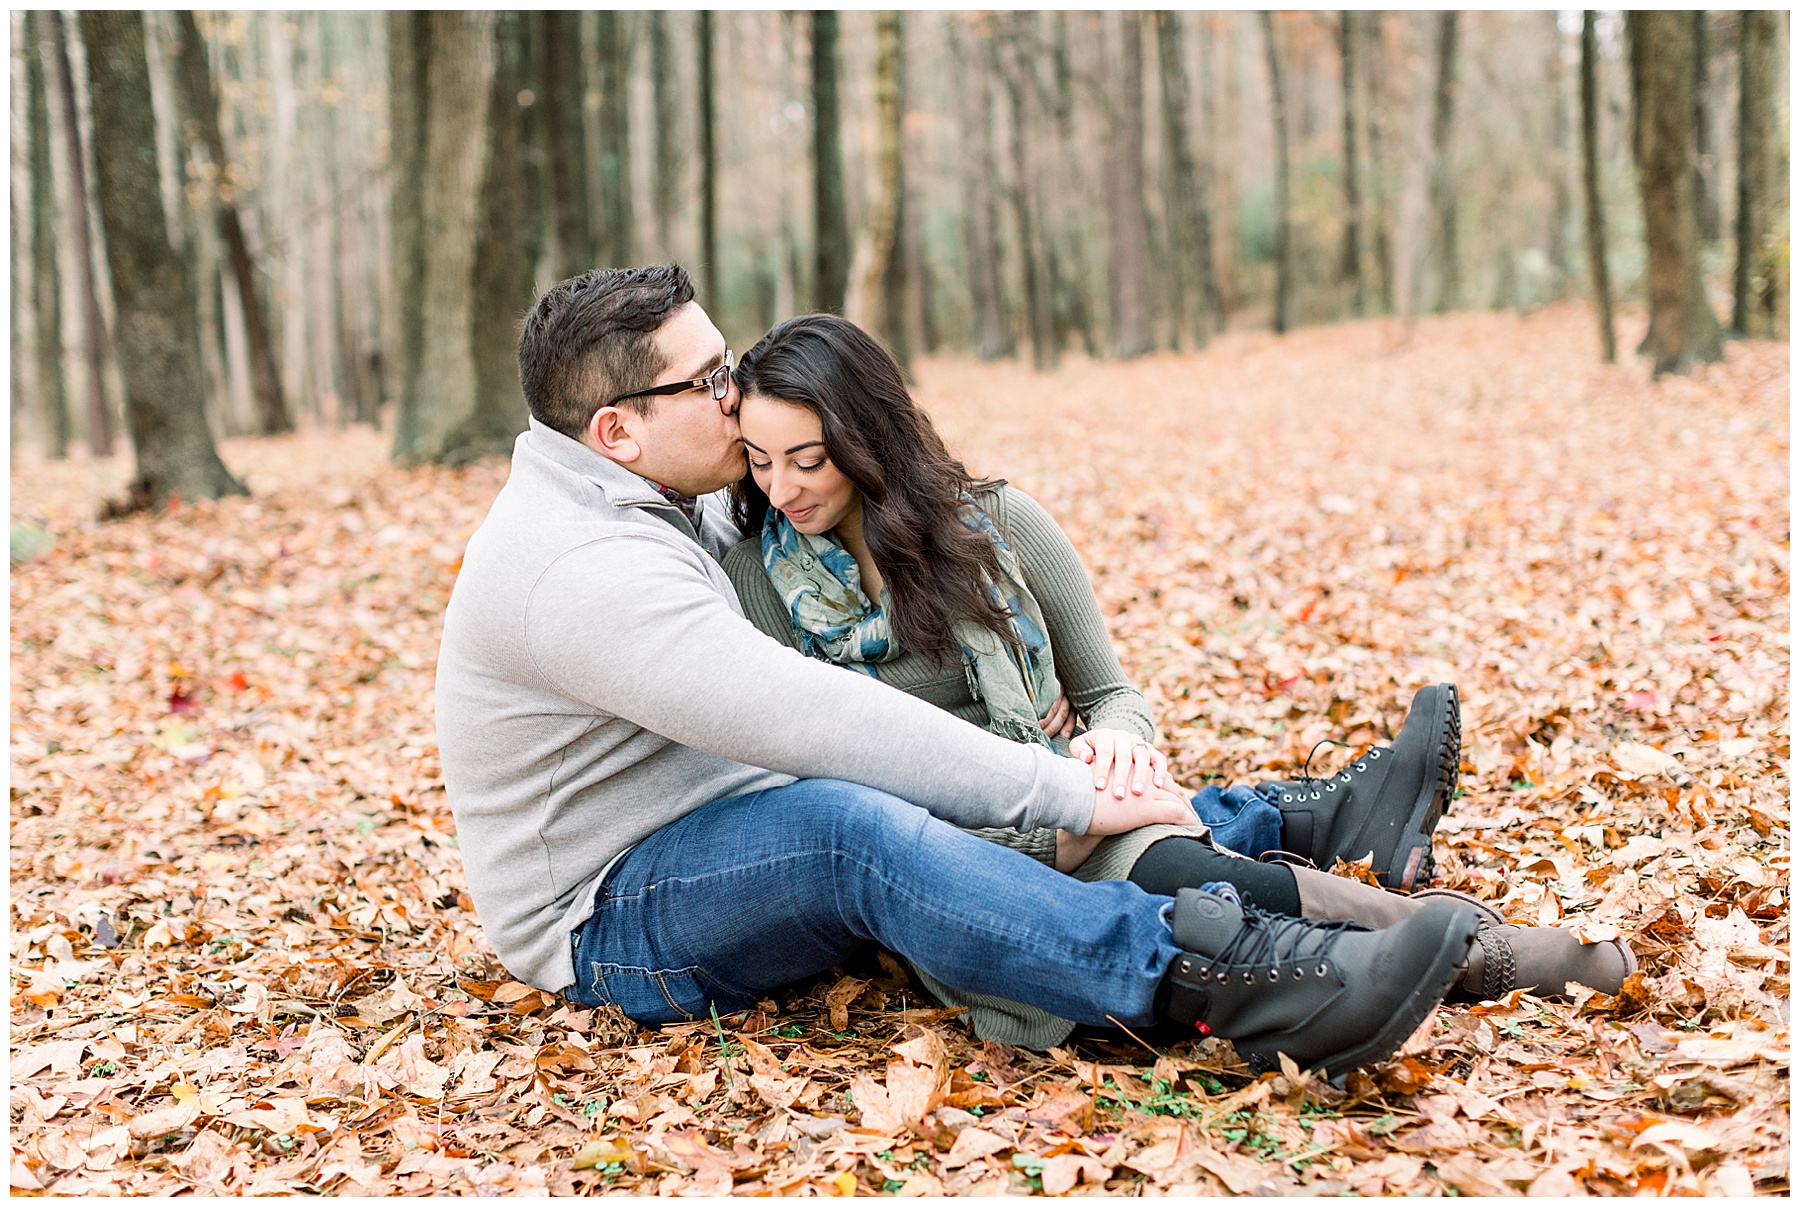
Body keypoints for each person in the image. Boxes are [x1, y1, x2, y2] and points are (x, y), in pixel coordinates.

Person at [435, 265, 1482, 1079]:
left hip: (709, 823)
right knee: (847, 829)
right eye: (707, 381)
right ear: (616, 431)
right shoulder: (578, 570)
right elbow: (804, 714)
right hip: (607, 913)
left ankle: (1289, 824)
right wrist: (1061, 789)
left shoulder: (654, 488)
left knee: (904, 810)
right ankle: (1224, 979)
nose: (735, 390)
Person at [719, 313, 1635, 1047]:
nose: (786, 487)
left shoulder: (992, 526)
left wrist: (1120, 744)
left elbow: (1111, 692)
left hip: (1070, 803)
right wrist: (1043, 835)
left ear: (870, 436)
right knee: (1166, 900)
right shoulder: (762, 583)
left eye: (809, 457)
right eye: (761, 462)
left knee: (1186, 872)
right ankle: (1426, 926)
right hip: (945, 858)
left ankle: (1472, 950)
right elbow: (829, 779)